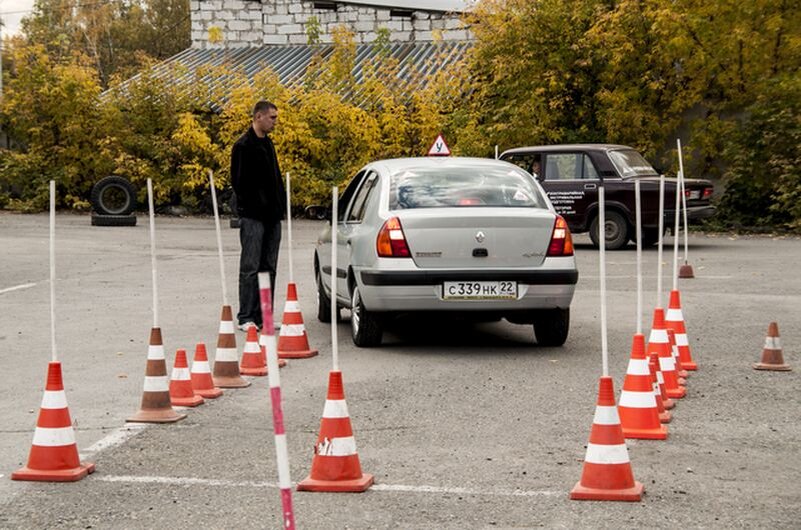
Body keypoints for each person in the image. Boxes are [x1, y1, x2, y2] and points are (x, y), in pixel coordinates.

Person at [231, 100, 286, 331]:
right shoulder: (243, 146)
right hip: (253, 216)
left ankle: (264, 315)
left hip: (273, 216)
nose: (275, 121)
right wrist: (251, 207)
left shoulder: (269, 144)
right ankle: (246, 316)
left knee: (269, 266)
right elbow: (239, 183)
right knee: (251, 266)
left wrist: (280, 205)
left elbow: (275, 177)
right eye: (272, 117)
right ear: (258, 117)